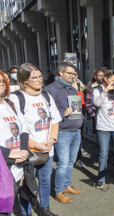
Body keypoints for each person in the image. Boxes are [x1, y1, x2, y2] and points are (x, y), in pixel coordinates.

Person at [9, 63, 61, 216]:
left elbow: (55, 121)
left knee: (45, 180)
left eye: (40, 76)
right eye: (34, 77)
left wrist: (51, 141)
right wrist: (35, 144)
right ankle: (26, 212)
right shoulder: (16, 98)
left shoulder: (46, 95)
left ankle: (44, 209)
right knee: (27, 184)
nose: (40, 80)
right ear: (24, 80)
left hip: (46, 149)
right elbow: (17, 129)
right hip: (27, 151)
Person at [44, 61, 84, 204]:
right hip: (62, 131)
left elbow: (76, 109)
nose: (73, 76)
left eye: (74, 74)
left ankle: (67, 185)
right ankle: (59, 191)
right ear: (60, 73)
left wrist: (81, 118)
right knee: (63, 163)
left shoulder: (73, 89)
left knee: (71, 162)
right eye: (70, 73)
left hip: (76, 130)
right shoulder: (50, 89)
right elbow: (47, 112)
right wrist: (63, 112)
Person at [0, 70, 30, 216]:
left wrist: (23, 151)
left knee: (11, 206)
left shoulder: (8, 104)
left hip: (16, 167)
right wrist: (11, 154)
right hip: (2, 169)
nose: (0, 84)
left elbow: (24, 127)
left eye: (1, 81)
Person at [85, 69, 105, 135]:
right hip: (97, 113)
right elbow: (88, 102)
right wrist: (92, 114)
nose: (102, 77)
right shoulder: (92, 87)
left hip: (108, 113)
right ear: (95, 76)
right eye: (99, 75)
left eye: (103, 75)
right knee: (99, 134)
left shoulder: (107, 86)